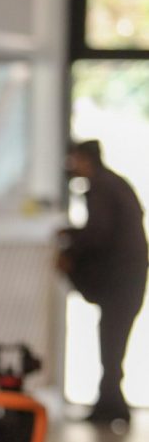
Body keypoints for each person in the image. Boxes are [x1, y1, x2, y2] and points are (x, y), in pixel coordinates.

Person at [57, 140, 147, 424]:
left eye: (74, 160)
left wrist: (70, 250)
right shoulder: (113, 184)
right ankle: (111, 405)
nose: (71, 166)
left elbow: (99, 234)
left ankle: (112, 408)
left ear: (85, 160)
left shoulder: (103, 188)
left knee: (112, 341)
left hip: (122, 281)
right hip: (128, 278)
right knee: (112, 340)